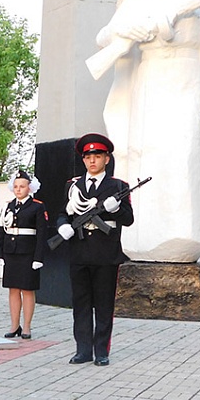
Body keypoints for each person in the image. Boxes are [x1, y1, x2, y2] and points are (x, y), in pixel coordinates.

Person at [98, 0, 200, 262]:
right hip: (147, 78)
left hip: (187, 76)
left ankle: (184, 231)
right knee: (144, 154)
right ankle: (140, 234)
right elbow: (104, 36)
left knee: (185, 155)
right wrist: (125, 30)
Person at [56, 133, 133, 367]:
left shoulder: (118, 186)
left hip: (106, 254)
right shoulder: (73, 185)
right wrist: (62, 227)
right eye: (88, 157)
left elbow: (128, 220)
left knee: (103, 304)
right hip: (79, 252)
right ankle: (82, 350)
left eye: (97, 156)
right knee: (80, 303)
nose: (92, 161)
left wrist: (116, 209)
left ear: (106, 159)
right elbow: (63, 212)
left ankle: (101, 350)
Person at [0, 170, 47, 340]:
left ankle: (26, 326)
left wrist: (38, 258)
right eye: (16, 186)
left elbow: (41, 233)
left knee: (27, 290)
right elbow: (0, 230)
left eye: (22, 186)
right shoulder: (8, 205)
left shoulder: (37, 206)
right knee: (13, 289)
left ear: (29, 188)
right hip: (11, 252)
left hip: (28, 253)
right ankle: (14, 325)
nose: (18, 189)